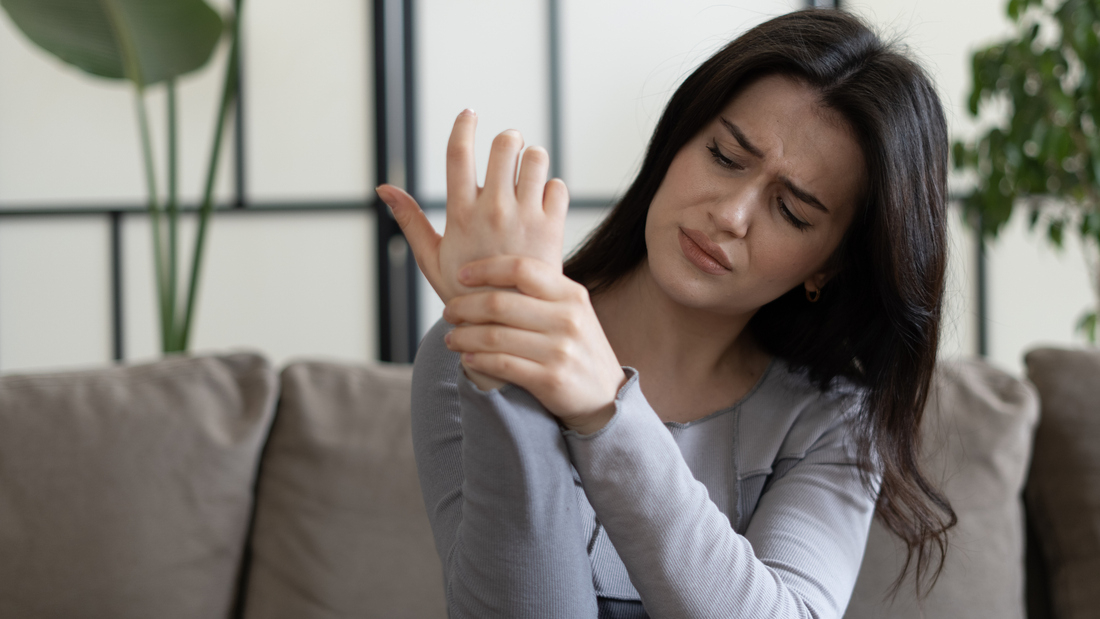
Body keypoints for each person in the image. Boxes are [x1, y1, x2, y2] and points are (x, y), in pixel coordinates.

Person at [375, 8, 955, 619]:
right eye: (726, 156)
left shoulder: (831, 420)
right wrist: (506, 371)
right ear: (678, 140)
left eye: (792, 211)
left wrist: (607, 408)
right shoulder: (470, 344)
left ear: (829, 266)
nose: (730, 215)